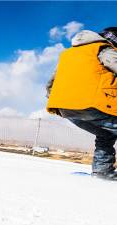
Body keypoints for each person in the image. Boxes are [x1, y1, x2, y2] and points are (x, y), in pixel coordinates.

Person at [46, 27, 117, 181]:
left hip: (66, 109)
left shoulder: (68, 54)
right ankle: (103, 171)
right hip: (94, 106)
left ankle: (103, 172)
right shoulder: (104, 49)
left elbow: (51, 83)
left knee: (106, 133)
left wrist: (59, 100)